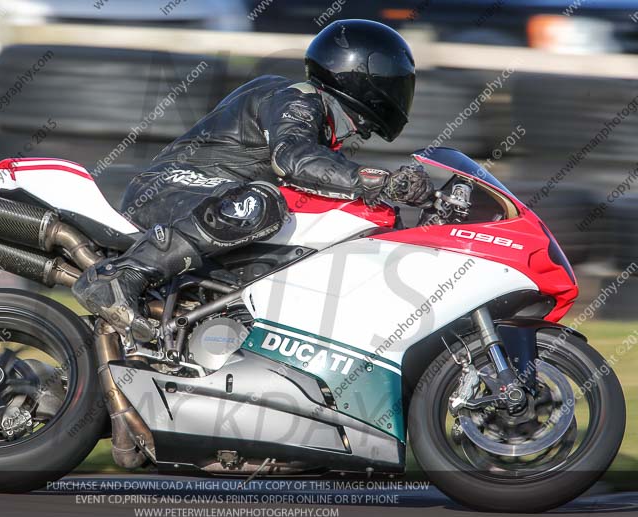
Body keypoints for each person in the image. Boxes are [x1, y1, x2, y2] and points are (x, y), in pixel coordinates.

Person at [73, 19, 435, 341]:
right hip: (172, 186)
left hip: (208, 196)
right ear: (363, 74)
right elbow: (292, 159)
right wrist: (376, 181)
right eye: (394, 77)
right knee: (261, 202)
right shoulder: (297, 98)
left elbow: (317, 171)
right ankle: (121, 277)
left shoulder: (318, 121)